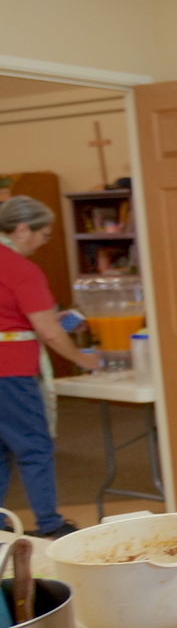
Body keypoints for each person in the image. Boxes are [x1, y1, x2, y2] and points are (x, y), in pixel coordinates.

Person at [0, 195, 99, 538]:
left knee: (0, 450)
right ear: (23, 229)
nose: (45, 242)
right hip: (10, 373)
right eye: (44, 234)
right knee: (34, 447)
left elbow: (16, 318)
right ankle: (49, 523)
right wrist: (83, 359)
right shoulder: (21, 269)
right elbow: (49, 332)